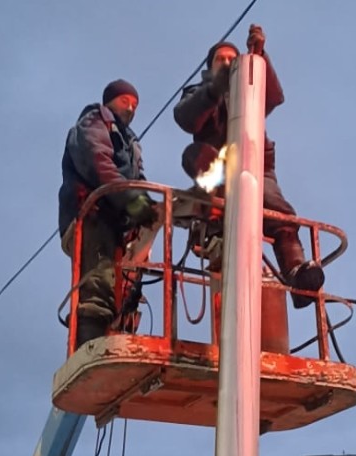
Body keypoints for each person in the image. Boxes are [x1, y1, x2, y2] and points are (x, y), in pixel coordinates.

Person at [173, 24, 325, 308]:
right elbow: (186, 118)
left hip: (256, 165)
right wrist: (213, 91)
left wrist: (259, 56)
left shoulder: (249, 83)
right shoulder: (198, 93)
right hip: (218, 165)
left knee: (280, 214)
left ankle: (296, 274)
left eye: (233, 58)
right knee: (195, 155)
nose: (229, 63)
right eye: (222, 59)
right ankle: (216, 211)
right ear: (210, 66)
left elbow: (274, 97)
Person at [58, 79, 156, 348]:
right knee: (99, 281)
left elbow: (139, 179)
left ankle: (118, 329)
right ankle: (90, 345)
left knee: (126, 285)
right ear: (109, 101)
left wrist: (148, 206)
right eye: (125, 101)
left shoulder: (131, 142)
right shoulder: (93, 123)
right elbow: (98, 164)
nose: (131, 108)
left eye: (135, 104)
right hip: (91, 215)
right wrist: (132, 201)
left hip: (116, 224)